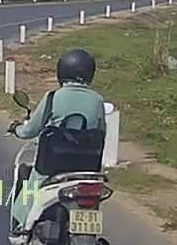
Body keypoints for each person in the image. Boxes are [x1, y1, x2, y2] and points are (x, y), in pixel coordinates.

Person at [7, 48, 107, 235]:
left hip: (52, 167)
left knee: (31, 186)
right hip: (87, 167)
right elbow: (102, 132)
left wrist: (17, 129)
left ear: (62, 72)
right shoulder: (97, 101)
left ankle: (21, 229)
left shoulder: (53, 97)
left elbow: (31, 130)